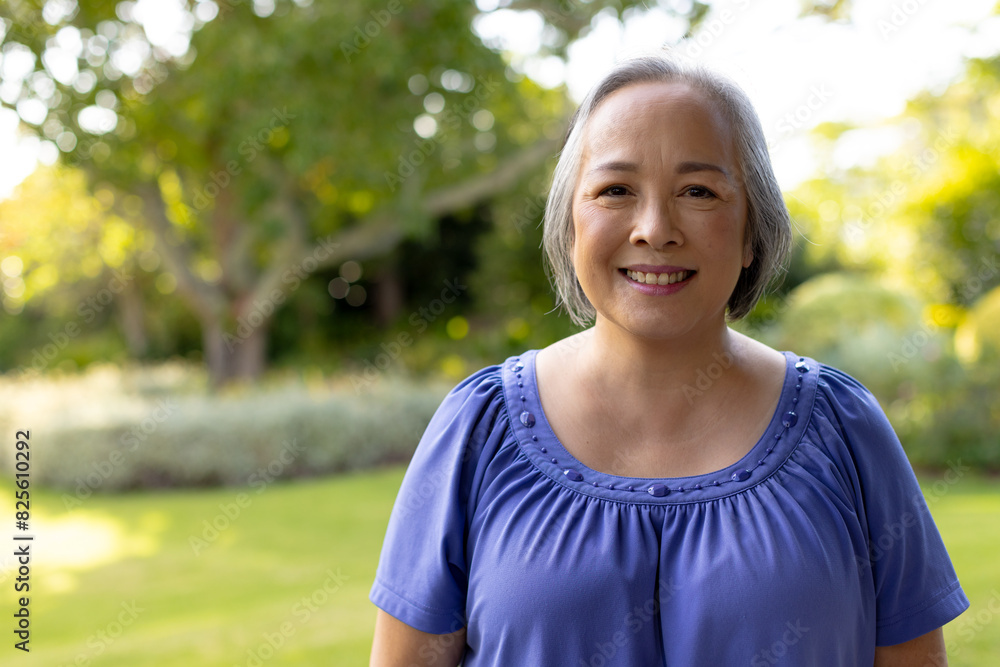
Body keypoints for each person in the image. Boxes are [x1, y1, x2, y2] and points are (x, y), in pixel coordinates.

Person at [368, 53, 969, 666]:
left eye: (698, 191)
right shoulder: (478, 427)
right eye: (616, 190)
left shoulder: (845, 427)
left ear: (751, 231)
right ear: (571, 224)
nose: (655, 228)